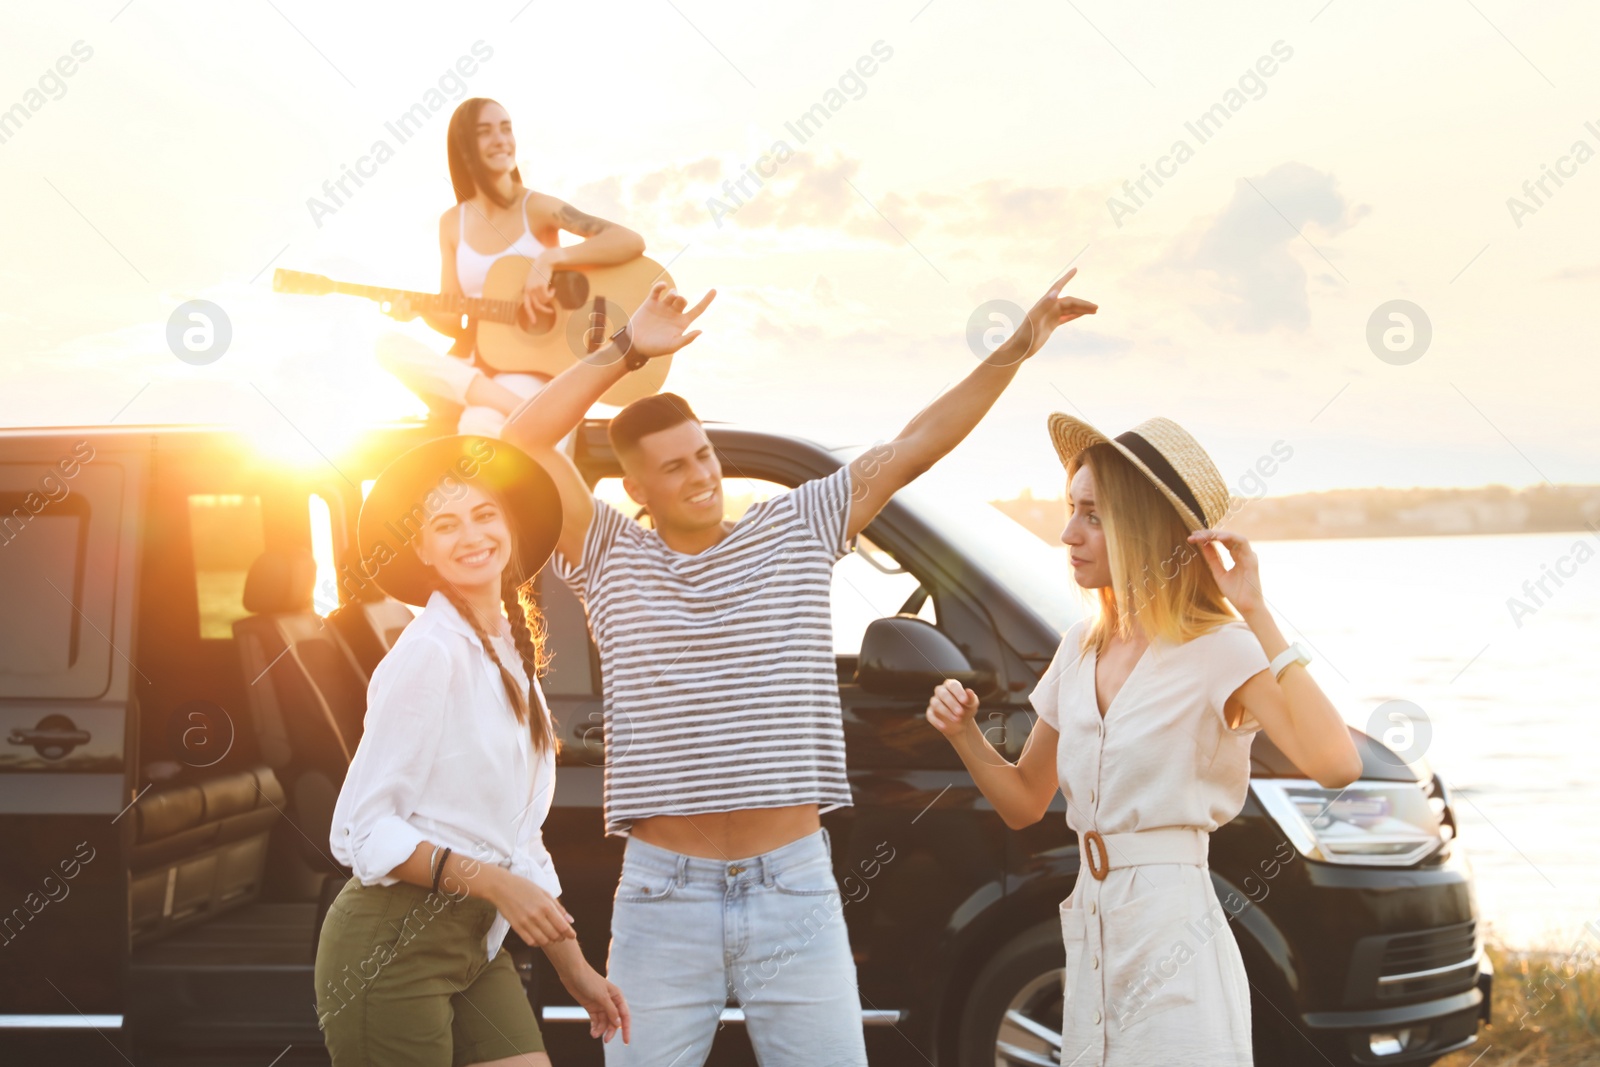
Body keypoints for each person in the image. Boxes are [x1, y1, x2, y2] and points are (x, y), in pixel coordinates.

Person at [500, 271, 1098, 1065]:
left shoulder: (794, 528)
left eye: (704, 454)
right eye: (674, 467)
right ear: (636, 485)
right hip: (662, 898)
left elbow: (914, 444)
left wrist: (1014, 352)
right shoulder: (610, 554)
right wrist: (627, 351)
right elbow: (519, 444)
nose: (702, 475)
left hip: (793, 886)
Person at [923, 414, 1365, 1066]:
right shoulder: (1078, 649)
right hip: (1092, 923)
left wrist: (1258, 610)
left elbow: (1336, 762)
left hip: (1174, 931)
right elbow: (1023, 799)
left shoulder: (1221, 648)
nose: (1068, 533)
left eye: (1094, 515)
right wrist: (964, 735)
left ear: (1146, 528)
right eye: (1071, 509)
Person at [312, 433, 626, 1066]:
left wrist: (574, 967)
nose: (472, 535)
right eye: (446, 524)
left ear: (508, 525)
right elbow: (358, 831)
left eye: (485, 515)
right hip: (389, 948)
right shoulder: (429, 652)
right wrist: (493, 885)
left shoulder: (510, 652)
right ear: (422, 547)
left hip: (474, 946)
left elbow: (520, 841)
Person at [379, 96, 647, 436]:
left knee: (477, 426)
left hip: (529, 368)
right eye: (485, 131)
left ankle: (502, 403)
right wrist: (418, 310)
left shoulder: (536, 208)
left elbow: (629, 240)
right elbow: (451, 315)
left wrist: (550, 258)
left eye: (506, 129)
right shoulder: (452, 223)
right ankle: (519, 408)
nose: (501, 140)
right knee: (387, 346)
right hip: (473, 362)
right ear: (464, 148)